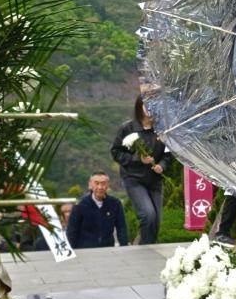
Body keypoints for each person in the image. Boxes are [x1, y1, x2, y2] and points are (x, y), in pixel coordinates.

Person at [111, 95, 172, 245]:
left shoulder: (162, 129)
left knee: (156, 220)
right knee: (148, 215)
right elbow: (116, 152)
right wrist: (138, 159)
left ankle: (145, 246)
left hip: (155, 180)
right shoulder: (128, 128)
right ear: (140, 107)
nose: (150, 109)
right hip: (134, 179)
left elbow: (168, 153)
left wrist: (162, 165)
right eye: (147, 105)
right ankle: (147, 250)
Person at [66, 172, 128, 249]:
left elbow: (121, 228)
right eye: (96, 183)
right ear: (90, 185)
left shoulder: (115, 204)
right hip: (85, 250)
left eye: (103, 183)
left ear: (108, 185)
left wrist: (124, 248)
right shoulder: (80, 205)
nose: (100, 187)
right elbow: (72, 231)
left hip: (107, 249)